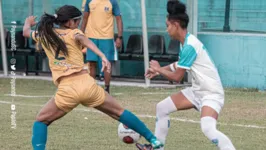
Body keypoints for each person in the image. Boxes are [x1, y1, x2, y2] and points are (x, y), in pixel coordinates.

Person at [22, 5, 163, 150]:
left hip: (67, 89)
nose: (78, 24)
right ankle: (154, 140)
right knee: (119, 112)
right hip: (87, 85)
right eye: (77, 21)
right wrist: (102, 55)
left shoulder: (46, 34)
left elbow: (26, 32)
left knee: (41, 121)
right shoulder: (73, 33)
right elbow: (83, 39)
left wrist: (29, 22)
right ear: (70, 22)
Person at [136, 1, 236, 150]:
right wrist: (159, 70)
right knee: (162, 108)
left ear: (176, 25)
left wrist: (159, 69)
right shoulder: (186, 42)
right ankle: (157, 148)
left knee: (208, 128)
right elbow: (178, 64)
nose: (166, 29)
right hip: (197, 92)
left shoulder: (190, 45)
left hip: (211, 94)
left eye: (167, 25)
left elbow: (177, 77)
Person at [81, 0, 123, 93]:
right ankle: (92, 88)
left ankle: (107, 88)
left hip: (106, 38)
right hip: (91, 37)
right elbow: (85, 18)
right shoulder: (90, 1)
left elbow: (119, 19)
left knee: (107, 64)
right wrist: (80, 33)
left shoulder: (112, 2)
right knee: (91, 63)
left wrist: (119, 37)